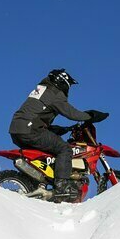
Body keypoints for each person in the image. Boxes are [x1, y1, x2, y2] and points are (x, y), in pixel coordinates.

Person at [9, 69, 108, 202]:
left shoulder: (43, 90)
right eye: (69, 85)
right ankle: (61, 185)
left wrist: (63, 129)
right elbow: (71, 113)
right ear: (62, 81)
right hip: (30, 130)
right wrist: (91, 116)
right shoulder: (54, 92)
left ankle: (40, 185)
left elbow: (36, 116)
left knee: (50, 151)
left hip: (18, 130)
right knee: (64, 148)